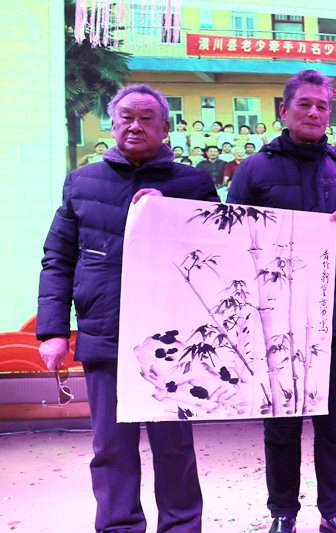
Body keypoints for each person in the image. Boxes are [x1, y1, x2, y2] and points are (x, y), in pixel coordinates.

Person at [36, 83, 218, 533]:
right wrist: (53, 331)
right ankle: (119, 526)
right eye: (126, 118)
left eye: (146, 118)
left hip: (172, 340)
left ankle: (181, 526)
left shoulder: (192, 183)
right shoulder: (82, 181)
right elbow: (58, 258)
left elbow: (218, 250)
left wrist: (171, 212)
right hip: (104, 332)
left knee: (174, 446)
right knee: (111, 447)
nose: (135, 126)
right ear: (113, 124)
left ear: (165, 127)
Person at [227, 69, 336, 533]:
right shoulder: (254, 169)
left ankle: (334, 512)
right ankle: (283, 513)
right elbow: (231, 236)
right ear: (284, 111)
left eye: (322, 106)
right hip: (275, 316)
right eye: (305, 104)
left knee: (335, 424)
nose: (314, 113)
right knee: (282, 422)